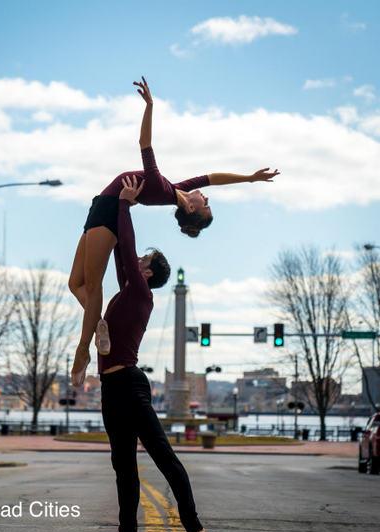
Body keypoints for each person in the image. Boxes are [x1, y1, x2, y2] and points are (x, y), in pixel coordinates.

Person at [68, 77, 279, 386]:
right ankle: (100, 325)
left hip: (111, 212)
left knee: (94, 285)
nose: (205, 197)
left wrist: (150, 106)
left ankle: (82, 352)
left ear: (192, 210)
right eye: (206, 200)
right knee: (75, 284)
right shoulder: (177, 189)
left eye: (205, 205)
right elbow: (213, 177)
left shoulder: (160, 184)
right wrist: (248, 177)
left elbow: (144, 144)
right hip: (99, 206)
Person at [94, 175, 209, 532]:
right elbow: (118, 253)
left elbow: (125, 248)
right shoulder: (129, 290)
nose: (136, 259)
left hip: (129, 383)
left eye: (142, 260)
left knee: (163, 457)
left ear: (146, 273)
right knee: (122, 464)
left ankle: (195, 530)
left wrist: (125, 205)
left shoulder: (141, 292)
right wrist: (112, 214)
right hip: (110, 386)